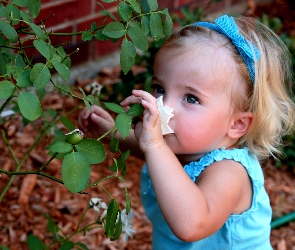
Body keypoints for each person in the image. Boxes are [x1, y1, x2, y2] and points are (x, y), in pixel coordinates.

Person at [78, 14, 295, 249]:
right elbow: (149, 152)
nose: (164, 106)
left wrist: (154, 145)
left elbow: (192, 225)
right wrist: (112, 131)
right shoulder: (187, 144)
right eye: (160, 88)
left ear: (237, 125)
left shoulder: (230, 173)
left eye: (191, 98)